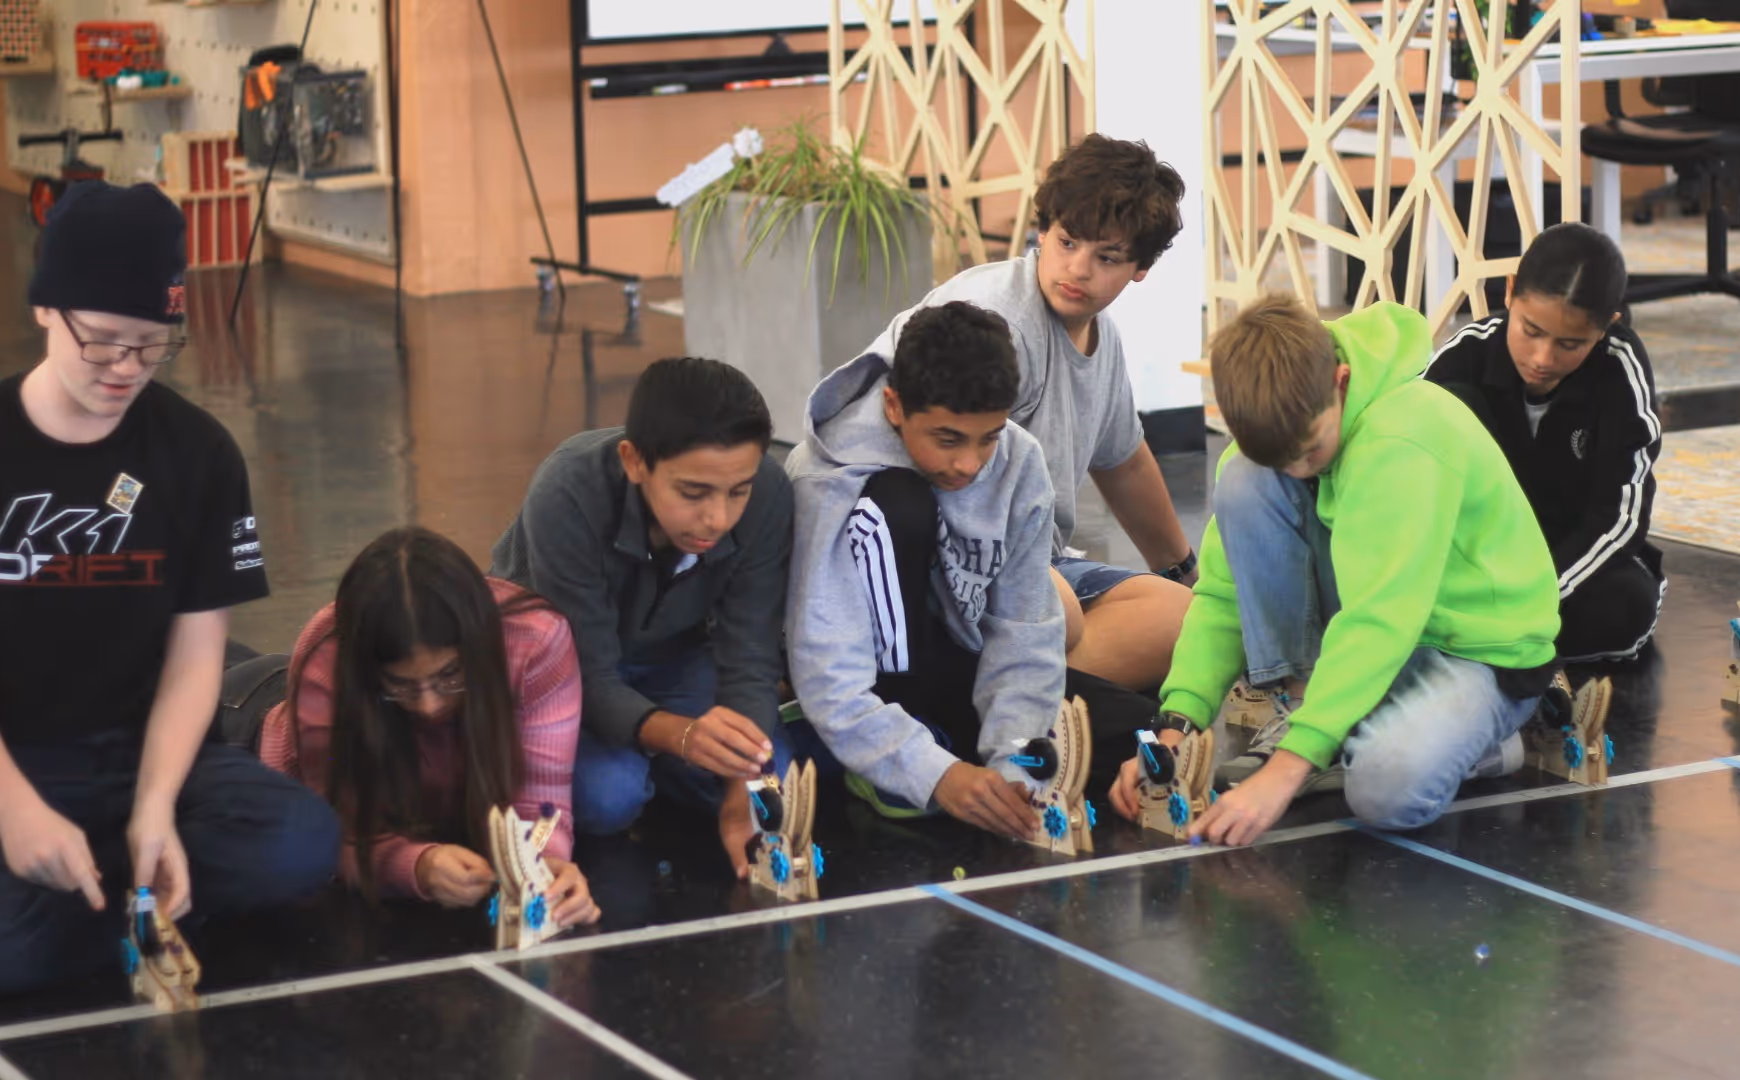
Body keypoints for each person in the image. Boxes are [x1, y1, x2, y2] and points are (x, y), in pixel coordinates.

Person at [0, 182, 339, 995]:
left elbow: (197, 658)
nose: (124, 369)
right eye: (101, 342)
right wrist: (15, 810)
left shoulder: (199, 454)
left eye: (151, 344)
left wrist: (157, 803)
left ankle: (94, 882)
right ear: (45, 310)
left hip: (154, 750)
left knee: (304, 845)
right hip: (15, 756)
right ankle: (27, 888)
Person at [1109, 294, 1563, 846]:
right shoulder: (1279, 439)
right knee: (1246, 481)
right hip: (1387, 630)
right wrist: (1174, 727)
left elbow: (1380, 619)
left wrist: (1288, 766)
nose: (1297, 470)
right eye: (1283, 458)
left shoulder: (1401, 439)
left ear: (1342, 381)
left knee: (1384, 793)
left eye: (1309, 450)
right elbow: (1226, 597)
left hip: (1480, 650)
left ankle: (1491, 738)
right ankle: (1313, 710)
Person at [860, 134, 1195, 691]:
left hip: (1036, 560)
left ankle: (996, 693)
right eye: (1066, 242)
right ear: (1043, 229)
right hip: (945, 560)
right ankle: (982, 697)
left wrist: (1185, 574)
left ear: (1141, 268)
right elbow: (929, 465)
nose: (1078, 269)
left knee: (1184, 618)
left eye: (1106, 257)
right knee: (1061, 616)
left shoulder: (1101, 337)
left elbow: (1125, 464)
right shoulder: (1002, 322)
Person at [788, 301, 1126, 836]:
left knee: (1128, 737)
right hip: (868, 690)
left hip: (964, 661)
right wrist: (934, 774)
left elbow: (1025, 632)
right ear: (894, 407)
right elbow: (829, 674)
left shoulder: (1018, 459)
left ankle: (949, 745)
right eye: (948, 439)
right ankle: (890, 758)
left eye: (988, 437)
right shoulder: (827, 482)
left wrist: (1015, 762)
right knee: (897, 504)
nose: (970, 463)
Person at [490, 357, 792, 879]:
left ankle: (670, 768)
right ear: (634, 461)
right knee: (608, 799)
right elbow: (589, 672)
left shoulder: (767, 491)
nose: (717, 518)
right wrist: (683, 737)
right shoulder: (568, 491)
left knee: (773, 780)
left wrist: (745, 787)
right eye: (692, 493)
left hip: (672, 657)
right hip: (554, 673)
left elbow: (751, 657)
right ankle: (662, 767)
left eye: (737, 492)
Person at [259, 528, 598, 927]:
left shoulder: (535, 640)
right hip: (254, 706)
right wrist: (415, 866)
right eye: (399, 684)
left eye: (451, 675)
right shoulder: (325, 661)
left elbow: (543, 803)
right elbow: (338, 834)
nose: (429, 705)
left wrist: (546, 867)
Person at [1425, 222, 1663, 662]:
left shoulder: (1619, 370)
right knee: (1442, 407)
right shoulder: (1466, 356)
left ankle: (1473, 637)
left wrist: (1536, 592)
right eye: (1531, 331)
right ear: (1510, 291)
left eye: (1570, 344)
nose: (1542, 359)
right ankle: (1493, 636)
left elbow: (1620, 519)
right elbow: (1396, 463)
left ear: (1607, 326)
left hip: (1563, 566)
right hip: (1474, 563)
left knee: (1629, 606)